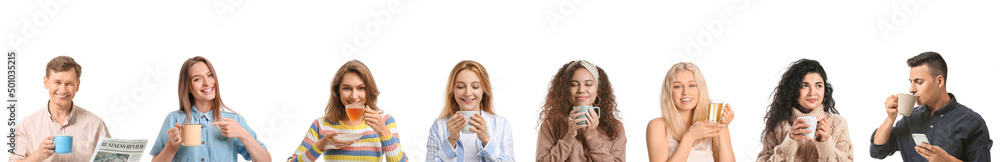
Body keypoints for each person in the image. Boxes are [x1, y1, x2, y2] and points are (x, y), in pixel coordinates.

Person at [870, 52, 991, 161]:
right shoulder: (910, 117)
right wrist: (890, 118)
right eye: (911, 82)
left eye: (919, 82)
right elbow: (877, 151)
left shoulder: (972, 122)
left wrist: (947, 161)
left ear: (939, 81)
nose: (911, 89)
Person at [150, 56, 271, 162]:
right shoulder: (174, 119)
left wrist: (242, 134)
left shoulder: (234, 121)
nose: (207, 83)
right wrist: (172, 145)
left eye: (209, 75)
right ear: (188, 87)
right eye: (197, 79)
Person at [287, 60, 408, 162]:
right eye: (347, 88)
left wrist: (383, 131)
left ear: (369, 90)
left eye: (361, 88)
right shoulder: (321, 124)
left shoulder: (385, 121)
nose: (354, 96)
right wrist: (320, 146)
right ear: (337, 91)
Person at [10, 56, 112, 162]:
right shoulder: (26, 126)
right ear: (46, 82)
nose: (63, 90)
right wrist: (37, 156)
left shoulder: (95, 124)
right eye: (57, 82)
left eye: (69, 84)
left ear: (77, 85)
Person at [757, 59, 853, 161]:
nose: (812, 92)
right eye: (805, 86)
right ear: (794, 89)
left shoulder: (838, 123)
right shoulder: (778, 125)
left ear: (825, 90)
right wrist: (789, 144)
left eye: (818, 86)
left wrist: (826, 144)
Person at [535, 60, 625, 162]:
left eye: (588, 84)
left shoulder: (615, 128)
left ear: (598, 90)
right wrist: (569, 136)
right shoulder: (551, 124)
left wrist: (591, 138)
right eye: (574, 84)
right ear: (566, 90)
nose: (581, 90)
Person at [426, 60, 514, 161]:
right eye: (460, 87)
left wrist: (486, 140)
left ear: (484, 90)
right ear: (452, 90)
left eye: (475, 87)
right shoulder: (439, 126)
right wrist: (451, 141)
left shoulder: (501, 125)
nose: (468, 93)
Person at [646, 62, 735, 162]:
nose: (685, 92)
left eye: (692, 85)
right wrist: (690, 137)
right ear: (669, 92)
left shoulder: (711, 123)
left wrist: (723, 128)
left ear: (700, 89)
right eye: (678, 86)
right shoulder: (658, 126)